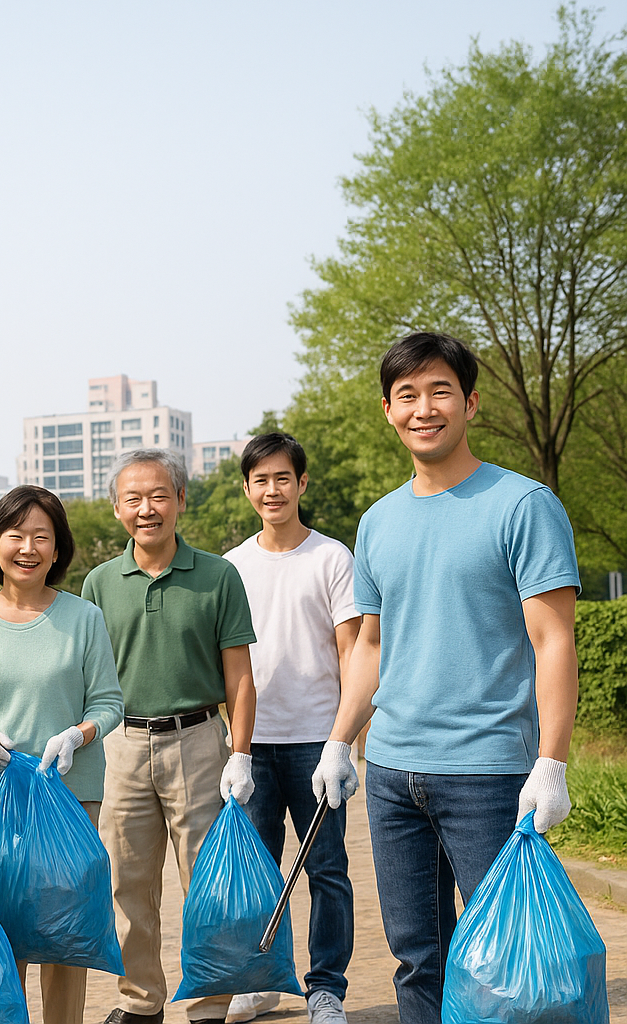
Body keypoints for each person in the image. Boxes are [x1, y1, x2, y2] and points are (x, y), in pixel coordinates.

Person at [311, 332, 580, 1024]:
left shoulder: (523, 505)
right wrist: (340, 741)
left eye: (439, 392)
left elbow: (553, 642)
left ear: (470, 403)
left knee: (504, 966)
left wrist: (550, 762)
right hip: (393, 773)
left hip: (487, 773)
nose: (423, 408)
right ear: (387, 409)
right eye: (408, 395)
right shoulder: (378, 522)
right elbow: (371, 642)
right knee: (416, 958)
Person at [80, 447, 257, 1024]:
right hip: (121, 746)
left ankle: (209, 1004)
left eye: (159, 495)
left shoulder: (218, 576)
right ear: (116, 509)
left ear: (181, 500)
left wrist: (241, 753)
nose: (146, 509)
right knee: (127, 883)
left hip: (200, 742)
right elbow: (87, 675)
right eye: (132, 499)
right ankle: (140, 1002)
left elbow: (240, 675)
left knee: (209, 885)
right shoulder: (99, 583)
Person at [0, 485, 123, 1024]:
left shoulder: (82, 618)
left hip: (69, 794)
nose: (28, 547)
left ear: (58, 550)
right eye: (16, 535)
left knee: (65, 933)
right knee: (2, 930)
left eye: (42, 536)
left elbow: (109, 702)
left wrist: (77, 735)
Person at [222, 433, 359, 1024]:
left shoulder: (333, 558)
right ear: (247, 489)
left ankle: (325, 987)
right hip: (253, 742)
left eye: (283, 477)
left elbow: (354, 652)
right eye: (260, 480)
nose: (272, 489)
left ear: (302, 484)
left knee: (327, 870)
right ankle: (260, 980)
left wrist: (345, 742)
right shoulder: (232, 566)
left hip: (315, 742)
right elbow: (224, 662)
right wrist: (235, 745)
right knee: (256, 872)